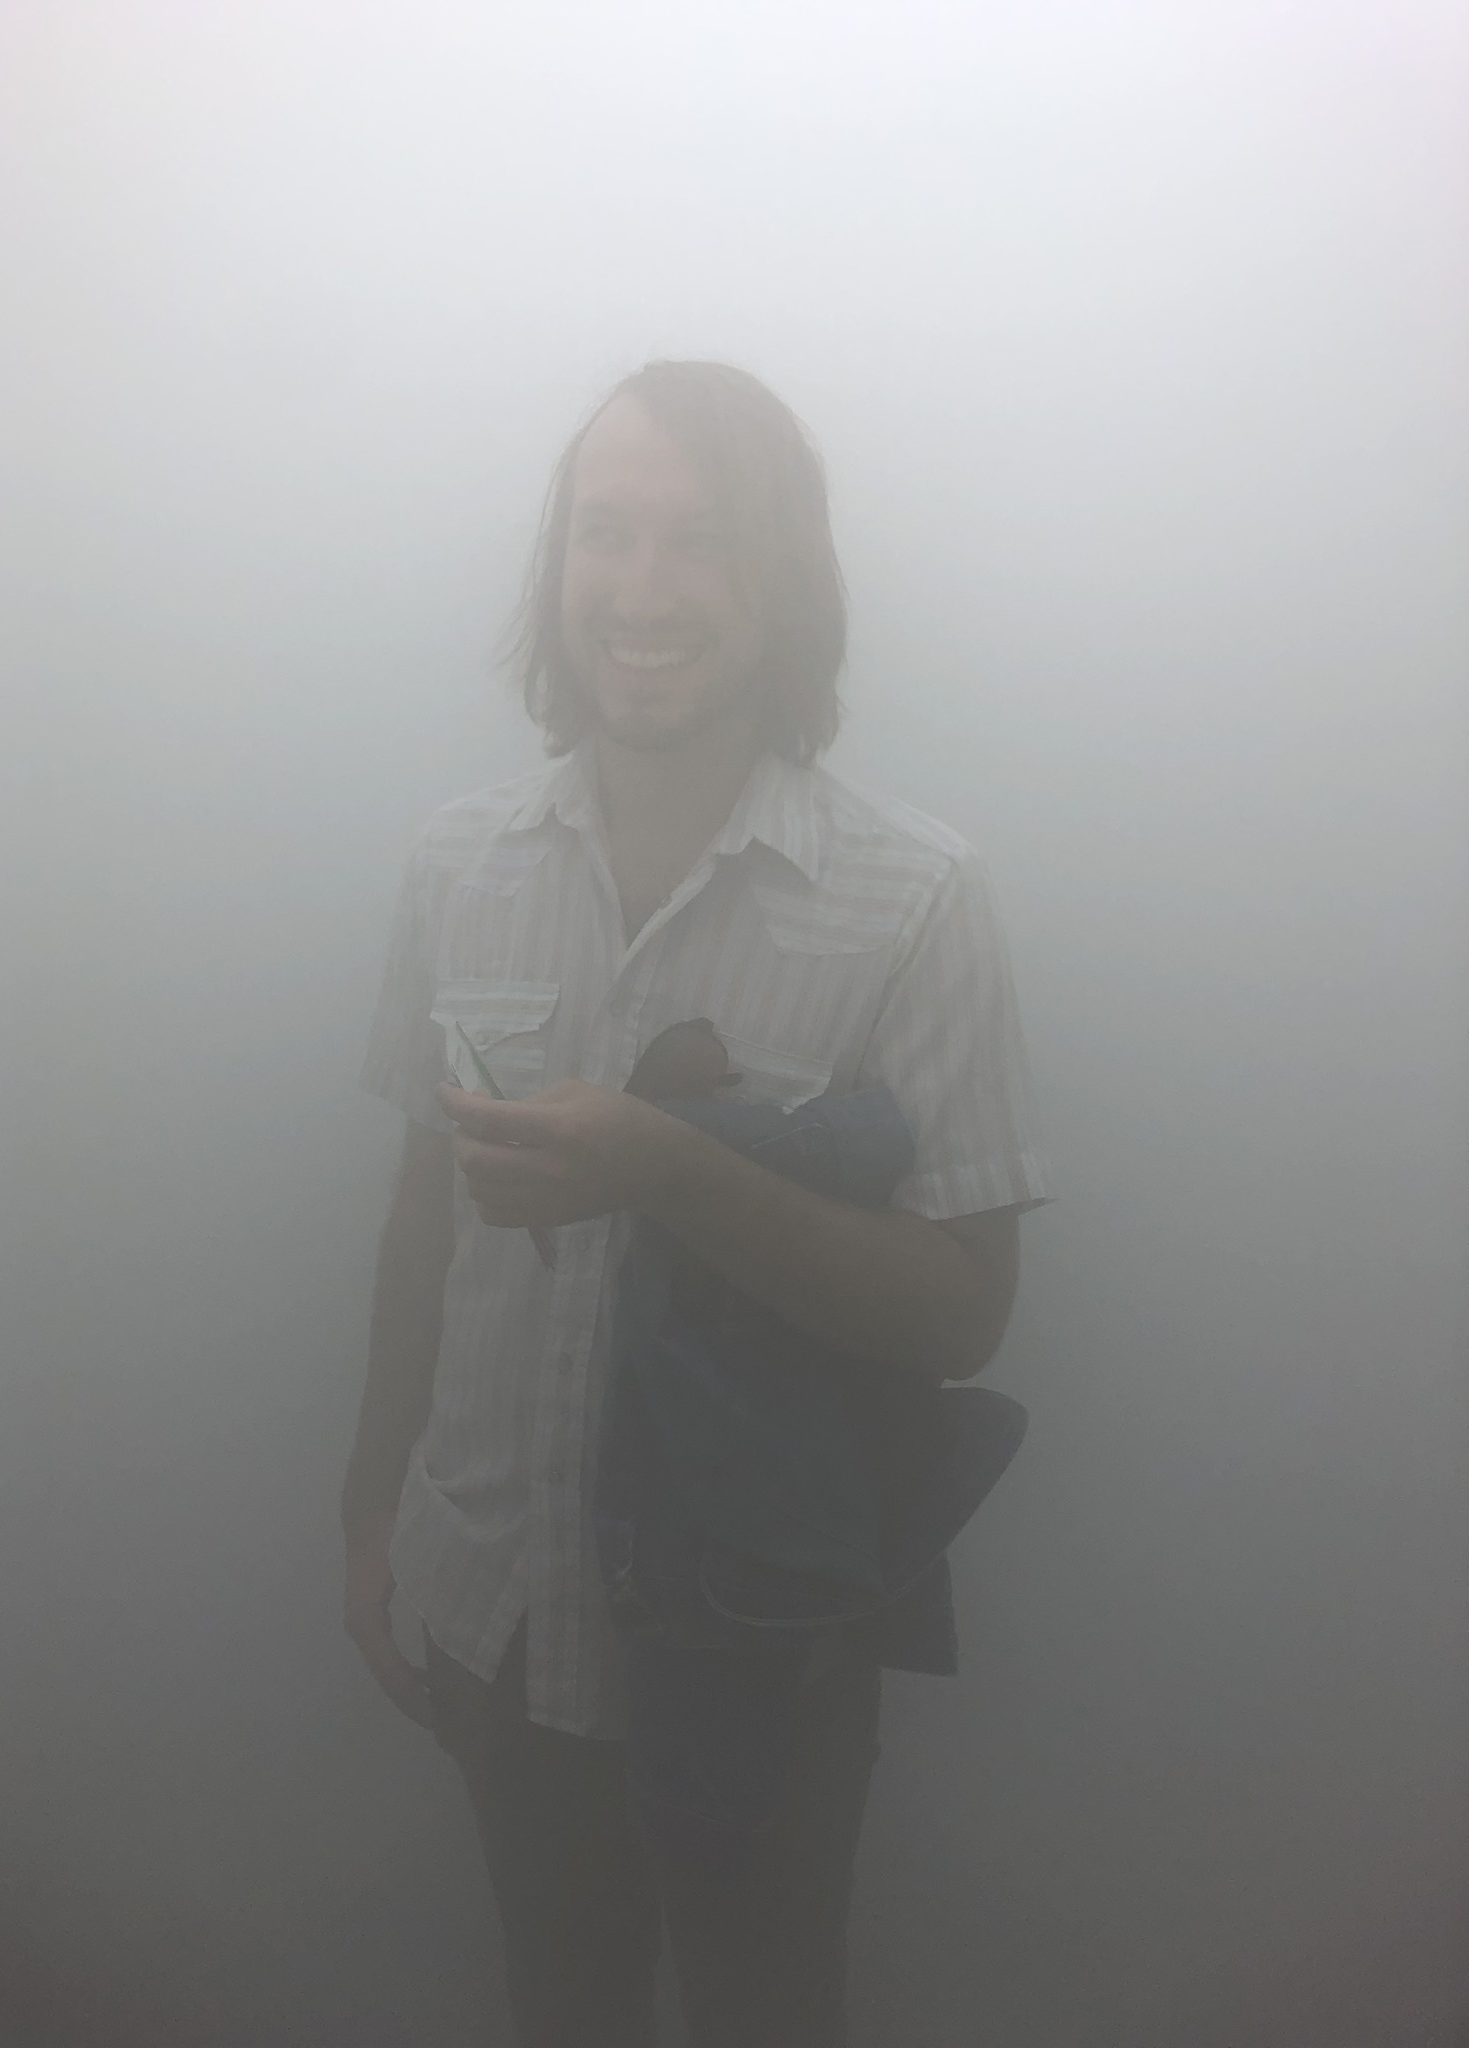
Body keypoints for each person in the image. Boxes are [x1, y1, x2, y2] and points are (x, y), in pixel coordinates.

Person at [342, 359, 1050, 2047]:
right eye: (607, 532)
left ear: (783, 580)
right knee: (560, 2004)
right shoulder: (456, 864)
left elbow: (963, 1309)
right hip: (495, 1598)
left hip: (767, 1636)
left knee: (766, 2013)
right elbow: (426, 1211)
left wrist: (664, 1164)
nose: (641, 589)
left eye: (700, 540)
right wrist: (367, 1515)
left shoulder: (917, 899)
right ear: (557, 564)